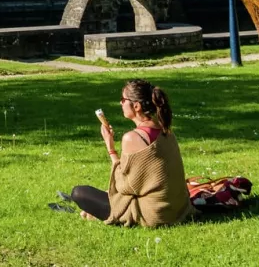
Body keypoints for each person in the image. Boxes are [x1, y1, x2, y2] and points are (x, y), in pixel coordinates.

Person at [62, 79, 193, 227]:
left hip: (154, 214)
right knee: (102, 195)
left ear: (136, 106)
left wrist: (110, 147)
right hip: (178, 208)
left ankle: (94, 213)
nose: (120, 103)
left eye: (123, 100)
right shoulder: (166, 131)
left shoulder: (132, 138)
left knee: (79, 193)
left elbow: (124, 185)